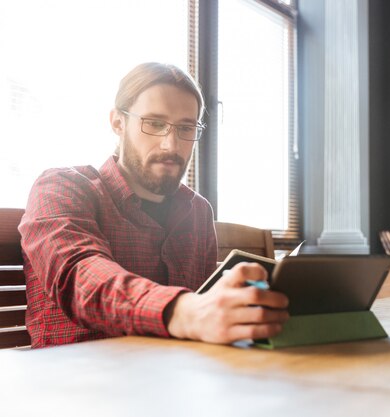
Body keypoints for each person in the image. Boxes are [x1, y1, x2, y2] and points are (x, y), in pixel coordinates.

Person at [18, 62, 289, 348]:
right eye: (155, 124)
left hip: (179, 379)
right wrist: (186, 313)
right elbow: (79, 274)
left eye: (186, 127)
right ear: (117, 122)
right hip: (72, 383)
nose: (170, 145)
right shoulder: (62, 188)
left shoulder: (198, 212)